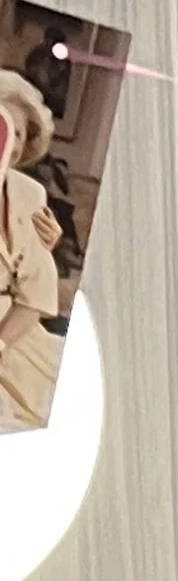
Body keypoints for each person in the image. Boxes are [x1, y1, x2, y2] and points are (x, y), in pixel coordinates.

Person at [0, 66, 62, 432]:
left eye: (20, 133)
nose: (12, 140)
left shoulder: (31, 194)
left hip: (21, 335)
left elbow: (37, 288)